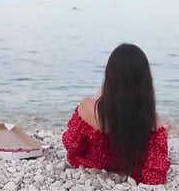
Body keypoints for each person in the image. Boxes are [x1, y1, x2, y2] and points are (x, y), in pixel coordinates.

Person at [62, 43, 170, 185]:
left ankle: (107, 95)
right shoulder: (150, 118)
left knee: (97, 102)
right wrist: (161, 136)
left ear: (109, 74)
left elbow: (73, 146)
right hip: (127, 167)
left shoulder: (86, 107)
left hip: (90, 163)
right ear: (145, 81)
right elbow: (155, 175)